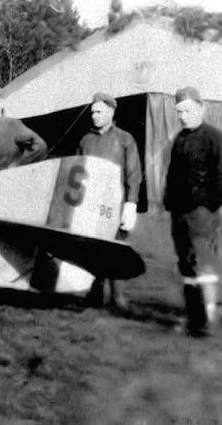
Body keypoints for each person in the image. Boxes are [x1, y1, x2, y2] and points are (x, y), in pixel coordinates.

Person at [163, 86, 222, 337]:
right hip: (179, 214)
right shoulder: (180, 139)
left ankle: (212, 322)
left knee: (204, 265)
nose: (183, 116)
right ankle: (194, 319)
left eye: (188, 110)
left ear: (201, 108)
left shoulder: (215, 138)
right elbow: (172, 176)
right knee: (186, 265)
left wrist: (207, 205)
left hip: (201, 215)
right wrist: (170, 203)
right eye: (179, 111)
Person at [76, 92, 142, 310]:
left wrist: (131, 205)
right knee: (91, 249)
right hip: (89, 204)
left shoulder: (125, 140)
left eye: (99, 112)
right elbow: (76, 171)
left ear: (111, 112)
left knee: (116, 248)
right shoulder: (86, 140)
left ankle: (118, 297)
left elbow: (134, 174)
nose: (94, 116)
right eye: (92, 112)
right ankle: (95, 295)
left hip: (116, 204)